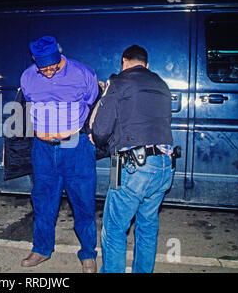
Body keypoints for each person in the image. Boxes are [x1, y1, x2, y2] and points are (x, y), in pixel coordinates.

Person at [90, 44, 175, 273]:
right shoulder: (161, 84)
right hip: (165, 166)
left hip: (136, 166)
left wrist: (97, 136)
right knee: (147, 227)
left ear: (124, 61)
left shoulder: (119, 82)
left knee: (115, 229)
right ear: (147, 65)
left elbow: (100, 131)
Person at [19, 35, 99, 273]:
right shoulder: (27, 77)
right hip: (43, 149)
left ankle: (88, 254)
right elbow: (29, 102)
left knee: (83, 201)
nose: (49, 73)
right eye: (43, 69)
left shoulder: (83, 73)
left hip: (75, 146)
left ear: (59, 58)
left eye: (52, 68)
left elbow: (91, 100)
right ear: (34, 61)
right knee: (43, 200)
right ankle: (41, 249)